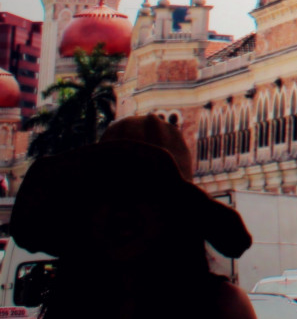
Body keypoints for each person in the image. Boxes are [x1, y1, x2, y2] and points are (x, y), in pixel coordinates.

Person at [11, 114, 258, 319]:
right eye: (109, 190)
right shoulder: (72, 304)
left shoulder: (223, 307)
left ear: (175, 211)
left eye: (143, 192)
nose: (122, 211)